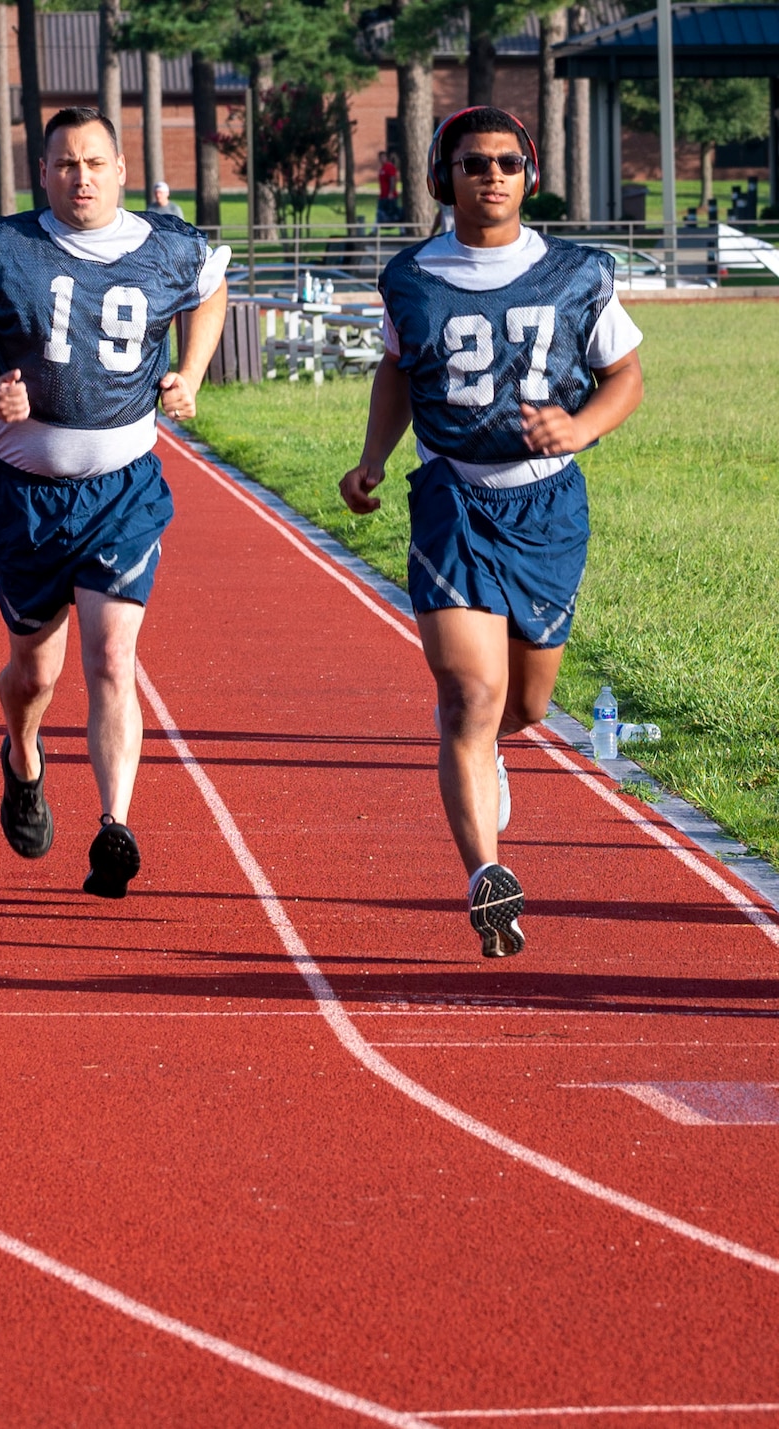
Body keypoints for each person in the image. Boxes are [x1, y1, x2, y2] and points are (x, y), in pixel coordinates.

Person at [339, 106, 644, 959]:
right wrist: (371, 460)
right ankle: (486, 875)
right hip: (453, 499)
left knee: (528, 704)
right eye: (475, 163)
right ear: (445, 177)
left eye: (509, 161)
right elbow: (398, 372)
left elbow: (624, 376)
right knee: (468, 697)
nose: (494, 175)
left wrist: (581, 428)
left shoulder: (578, 272)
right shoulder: (410, 278)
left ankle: (488, 756)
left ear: (530, 174)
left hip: (547, 506)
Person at [0, 106, 229, 899]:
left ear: (122, 170)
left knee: (112, 659)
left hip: (123, 491)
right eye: (65, 164)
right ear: (44, 174)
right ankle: (22, 754)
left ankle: (114, 825)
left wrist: (191, 372)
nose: (81, 178)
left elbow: (213, 287)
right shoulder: (3, 244)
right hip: (24, 497)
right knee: (34, 672)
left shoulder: (167, 244)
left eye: (95, 163)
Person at [376, 150, 402, 227]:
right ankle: (375, 230)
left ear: (386, 158)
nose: (382, 159)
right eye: (380, 158)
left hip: (390, 196)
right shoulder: (382, 169)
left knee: (394, 213)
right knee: (379, 212)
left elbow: (392, 179)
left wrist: (391, 192)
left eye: (383, 157)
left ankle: (402, 230)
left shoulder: (389, 167)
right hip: (383, 195)